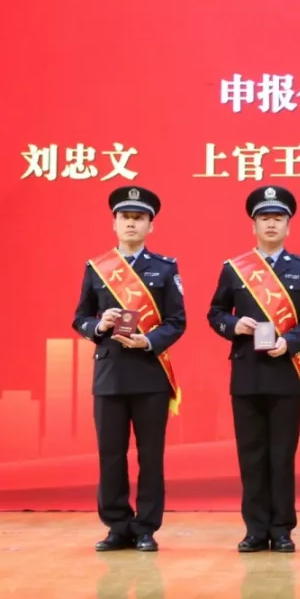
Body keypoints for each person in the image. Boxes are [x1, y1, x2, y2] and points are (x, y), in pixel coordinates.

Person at [207, 185, 300, 553]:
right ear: (254, 225)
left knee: (282, 455)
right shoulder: (234, 269)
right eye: (264, 218)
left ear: (288, 226)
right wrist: (234, 326)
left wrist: (290, 342)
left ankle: (282, 528)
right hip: (247, 374)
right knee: (251, 454)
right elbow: (215, 313)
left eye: (277, 218)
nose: (271, 224)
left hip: (285, 373)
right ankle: (256, 529)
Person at [73, 186, 187, 553]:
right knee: (111, 454)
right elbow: (79, 318)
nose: (131, 223)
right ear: (114, 223)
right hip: (110, 374)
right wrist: (100, 325)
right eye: (125, 217)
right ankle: (117, 525)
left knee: (150, 456)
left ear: (151, 226)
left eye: (139, 218)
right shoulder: (97, 268)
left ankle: (146, 527)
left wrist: (149, 341)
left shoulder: (165, 268)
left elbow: (177, 321)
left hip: (150, 374)